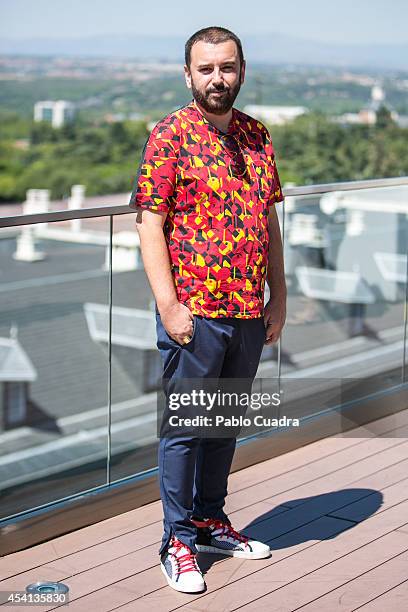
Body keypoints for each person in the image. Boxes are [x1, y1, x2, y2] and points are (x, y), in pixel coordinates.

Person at [129, 26, 286, 594]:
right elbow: (148, 224)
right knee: (185, 430)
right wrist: (168, 307)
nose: (218, 79)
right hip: (193, 315)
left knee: (221, 426)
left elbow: (268, 223)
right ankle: (176, 540)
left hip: (248, 310)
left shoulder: (256, 137)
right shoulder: (168, 137)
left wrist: (280, 297)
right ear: (188, 74)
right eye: (206, 69)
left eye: (227, 67)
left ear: (241, 69)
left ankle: (211, 522)